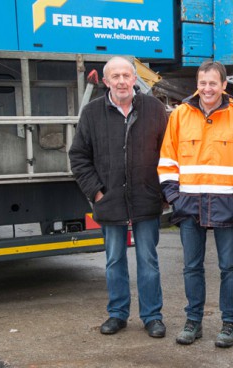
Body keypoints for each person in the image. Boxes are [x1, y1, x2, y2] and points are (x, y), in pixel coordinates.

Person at [158, 61, 233, 348]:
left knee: (229, 267)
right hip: (188, 204)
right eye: (203, 83)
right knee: (191, 267)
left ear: (224, 85)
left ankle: (229, 324)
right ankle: (194, 322)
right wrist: (174, 196)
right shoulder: (180, 115)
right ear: (197, 84)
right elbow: (167, 160)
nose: (207, 88)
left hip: (227, 203)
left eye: (213, 83)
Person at [69, 56, 168, 338]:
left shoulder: (155, 108)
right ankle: (117, 314)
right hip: (109, 200)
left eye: (127, 75)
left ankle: (152, 316)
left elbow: (168, 153)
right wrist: (97, 192)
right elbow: (78, 157)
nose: (122, 81)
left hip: (146, 199)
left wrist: (160, 192)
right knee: (114, 260)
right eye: (116, 76)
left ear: (135, 78)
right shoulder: (91, 113)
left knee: (148, 260)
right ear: (106, 81)